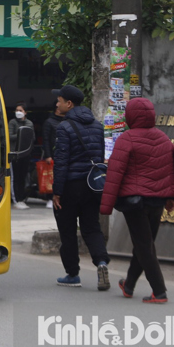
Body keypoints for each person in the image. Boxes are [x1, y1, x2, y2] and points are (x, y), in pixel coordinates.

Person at [100, 98, 174, 303]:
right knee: (145, 244)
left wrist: (105, 206)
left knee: (144, 246)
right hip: (158, 201)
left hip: (134, 202)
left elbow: (115, 173)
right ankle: (129, 285)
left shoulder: (127, 138)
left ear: (130, 116)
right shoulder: (163, 138)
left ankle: (159, 291)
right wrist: (172, 197)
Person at [51, 84, 111, 291]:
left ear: (69, 104)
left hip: (70, 186)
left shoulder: (64, 127)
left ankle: (73, 274)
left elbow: (61, 162)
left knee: (67, 230)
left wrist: (57, 192)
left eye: (59, 101)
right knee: (92, 226)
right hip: (92, 185)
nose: (57, 104)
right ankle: (101, 262)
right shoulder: (98, 126)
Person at [9, 102, 34, 210]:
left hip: (25, 153)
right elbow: (10, 136)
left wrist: (20, 134)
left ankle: (22, 199)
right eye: (16, 110)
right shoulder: (12, 122)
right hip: (14, 153)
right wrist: (21, 134)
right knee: (15, 177)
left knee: (23, 177)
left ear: (25, 112)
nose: (18, 112)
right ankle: (16, 200)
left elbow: (31, 137)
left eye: (20, 110)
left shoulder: (29, 123)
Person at [41, 102, 65, 208]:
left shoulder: (67, 121)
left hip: (63, 153)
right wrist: (48, 155)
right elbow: (45, 139)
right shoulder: (49, 122)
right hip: (52, 154)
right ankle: (50, 197)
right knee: (50, 176)